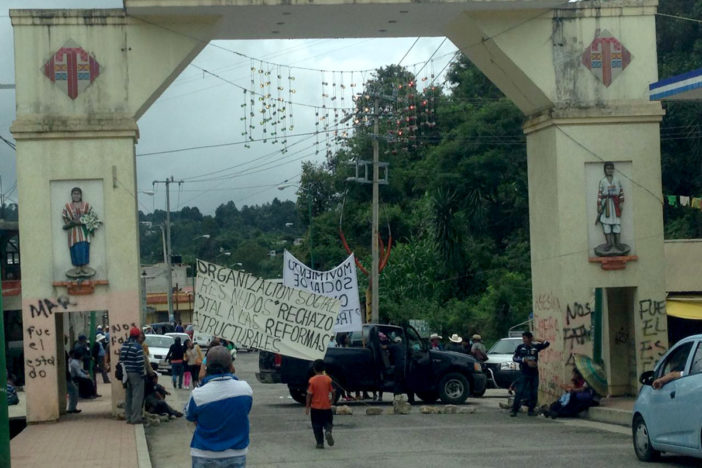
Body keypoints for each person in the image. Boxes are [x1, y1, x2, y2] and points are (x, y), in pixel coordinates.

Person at [185, 346, 253, 467]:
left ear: (206, 368)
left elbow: (190, 416)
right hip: (236, 454)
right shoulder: (245, 389)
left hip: (204, 454)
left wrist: (201, 382)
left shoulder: (198, 394)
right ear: (231, 366)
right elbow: (244, 411)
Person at [61, 186, 100, 278]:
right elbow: (64, 216)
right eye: (74, 194)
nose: (76, 195)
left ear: (81, 195)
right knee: (75, 248)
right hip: (73, 231)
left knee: (83, 247)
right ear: (71, 195)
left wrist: (85, 221)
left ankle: (84, 266)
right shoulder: (67, 206)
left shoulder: (86, 205)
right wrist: (70, 223)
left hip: (83, 231)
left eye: (78, 193)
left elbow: (92, 215)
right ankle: (77, 267)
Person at [510, 331, 550, 417]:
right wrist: (525, 360)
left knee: (534, 392)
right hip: (524, 373)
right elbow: (514, 358)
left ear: (529, 338)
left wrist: (536, 339)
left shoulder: (535, 347)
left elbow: (547, 343)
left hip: (534, 373)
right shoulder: (520, 347)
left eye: (525, 338)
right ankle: (514, 410)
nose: (523, 340)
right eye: (523, 338)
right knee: (519, 391)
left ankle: (531, 410)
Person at [305, 359, 335, 449]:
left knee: (317, 426)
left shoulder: (312, 380)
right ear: (324, 369)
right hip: (326, 407)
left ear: (314, 369)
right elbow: (333, 391)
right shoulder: (328, 379)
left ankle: (320, 443)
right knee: (328, 422)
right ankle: (328, 431)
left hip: (315, 408)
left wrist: (307, 407)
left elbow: (309, 395)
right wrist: (332, 401)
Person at [596, 161, 625, 253]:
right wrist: (599, 205)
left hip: (615, 204)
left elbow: (621, 192)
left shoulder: (617, 180)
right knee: (606, 224)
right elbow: (600, 194)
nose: (609, 170)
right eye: (608, 168)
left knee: (616, 223)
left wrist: (621, 203)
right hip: (606, 204)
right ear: (605, 170)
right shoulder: (603, 181)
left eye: (611, 168)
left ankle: (618, 243)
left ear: (613, 170)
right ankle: (609, 243)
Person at [120, 326, 146, 424]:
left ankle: (128, 416)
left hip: (126, 374)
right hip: (136, 373)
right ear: (137, 335)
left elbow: (121, 360)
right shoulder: (137, 347)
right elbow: (140, 362)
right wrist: (142, 374)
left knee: (128, 395)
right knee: (137, 396)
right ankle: (136, 417)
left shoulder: (125, 345)